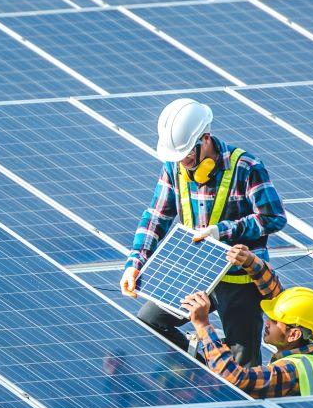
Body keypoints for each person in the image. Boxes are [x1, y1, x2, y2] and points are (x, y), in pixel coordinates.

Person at [120, 98, 287, 366]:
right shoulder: (174, 168)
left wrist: (222, 231)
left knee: (243, 364)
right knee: (151, 321)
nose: (184, 163)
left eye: (187, 154)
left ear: (205, 138)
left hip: (239, 280)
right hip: (194, 272)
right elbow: (156, 217)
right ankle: (207, 373)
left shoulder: (246, 167)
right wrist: (134, 264)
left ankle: (231, 384)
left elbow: (273, 218)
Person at [181, 244, 313, 398]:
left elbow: (235, 379)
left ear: (293, 334)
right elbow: (278, 296)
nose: (266, 322)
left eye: (274, 320)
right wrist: (251, 261)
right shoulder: (310, 340)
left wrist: (202, 325)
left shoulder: (290, 371)